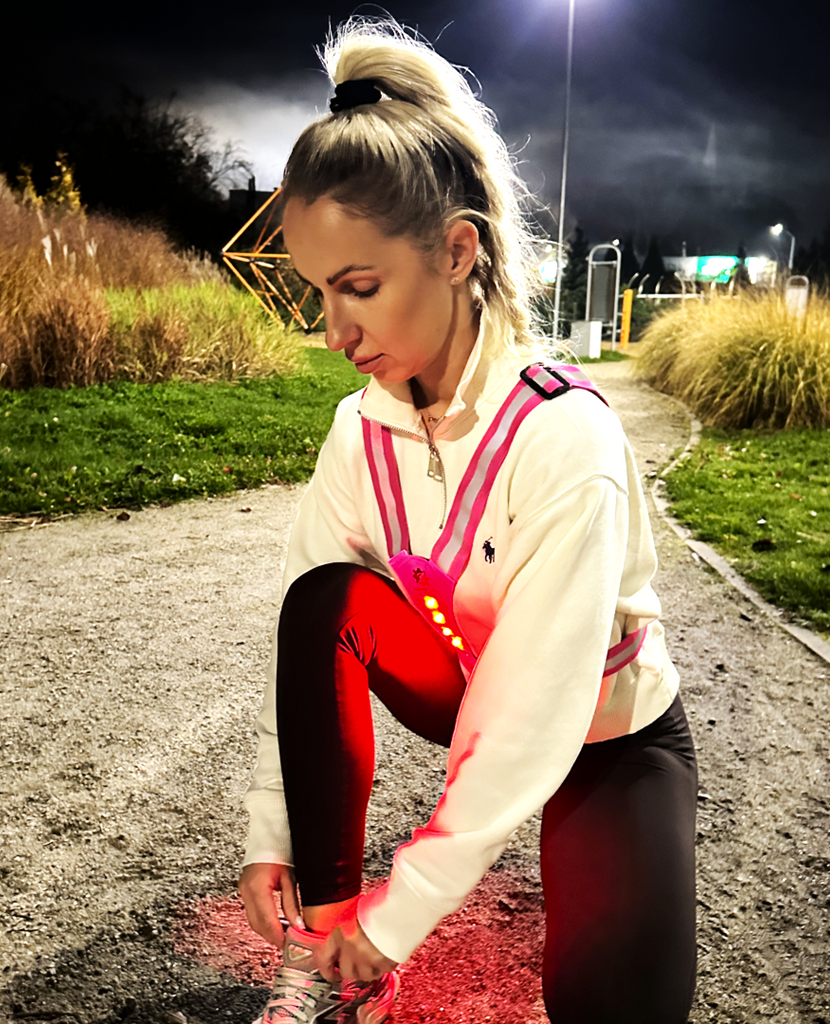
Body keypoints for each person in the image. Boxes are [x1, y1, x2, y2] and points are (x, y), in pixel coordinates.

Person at [239, 19, 698, 1024]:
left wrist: (398, 914)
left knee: (613, 1004)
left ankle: (365, 945)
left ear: (457, 251)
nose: (335, 330)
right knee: (325, 601)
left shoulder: (563, 435)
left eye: (359, 288)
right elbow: (304, 641)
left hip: (600, 728)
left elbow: (531, 719)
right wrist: (274, 834)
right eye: (319, 294)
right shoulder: (356, 432)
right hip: (457, 682)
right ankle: (319, 958)